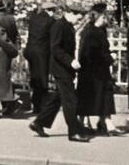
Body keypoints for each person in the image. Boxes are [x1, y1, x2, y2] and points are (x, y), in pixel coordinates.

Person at [29, 10, 89, 143]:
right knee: (70, 100)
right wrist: (70, 61)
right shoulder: (59, 26)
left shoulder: (67, 25)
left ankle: (39, 123)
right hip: (60, 68)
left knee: (58, 98)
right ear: (70, 12)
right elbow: (55, 48)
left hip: (64, 68)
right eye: (78, 18)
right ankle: (73, 132)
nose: (79, 21)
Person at [76, 3, 120, 136]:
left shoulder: (99, 31)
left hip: (99, 71)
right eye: (104, 18)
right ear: (98, 17)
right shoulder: (90, 32)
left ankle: (105, 122)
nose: (106, 20)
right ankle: (85, 122)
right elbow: (91, 53)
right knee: (91, 97)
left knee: (104, 96)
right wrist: (109, 57)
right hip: (92, 71)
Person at [24, 0, 55, 115]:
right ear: (48, 10)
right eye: (52, 10)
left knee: (35, 77)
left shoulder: (33, 18)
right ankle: (40, 105)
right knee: (42, 79)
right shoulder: (50, 21)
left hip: (31, 51)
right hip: (42, 53)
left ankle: (35, 103)